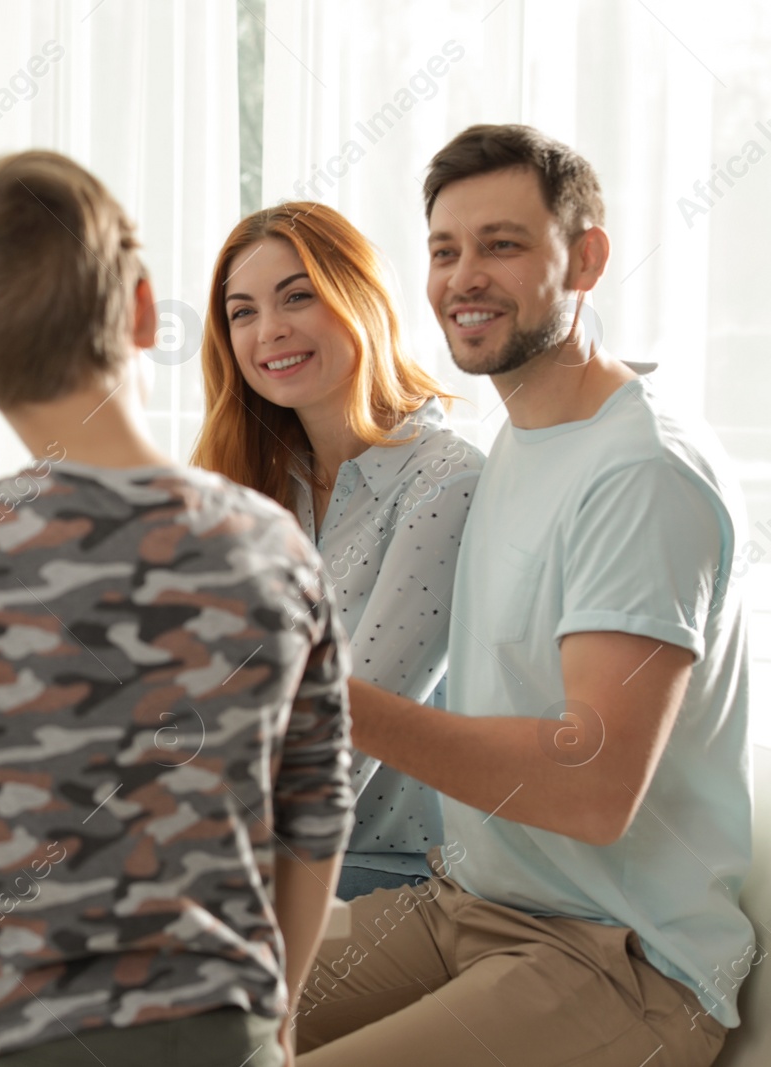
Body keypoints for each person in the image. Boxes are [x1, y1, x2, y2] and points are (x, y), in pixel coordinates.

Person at [0, 149, 354, 1067]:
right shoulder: (275, 544)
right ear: (145, 309)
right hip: (230, 1037)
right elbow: (316, 814)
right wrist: (279, 1020)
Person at [295, 125, 754, 1066]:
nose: (465, 277)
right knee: (158, 1021)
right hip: (466, 907)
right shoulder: (522, 437)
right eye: (444, 250)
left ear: (585, 258)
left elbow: (591, 789)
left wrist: (322, 697)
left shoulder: (640, 472)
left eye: (502, 245)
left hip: (618, 964)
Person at [191, 201, 484, 902]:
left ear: (362, 299)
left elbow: (345, 742)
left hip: (392, 879)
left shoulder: (447, 482)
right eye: (243, 312)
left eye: (298, 296)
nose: (270, 331)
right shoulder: (257, 487)